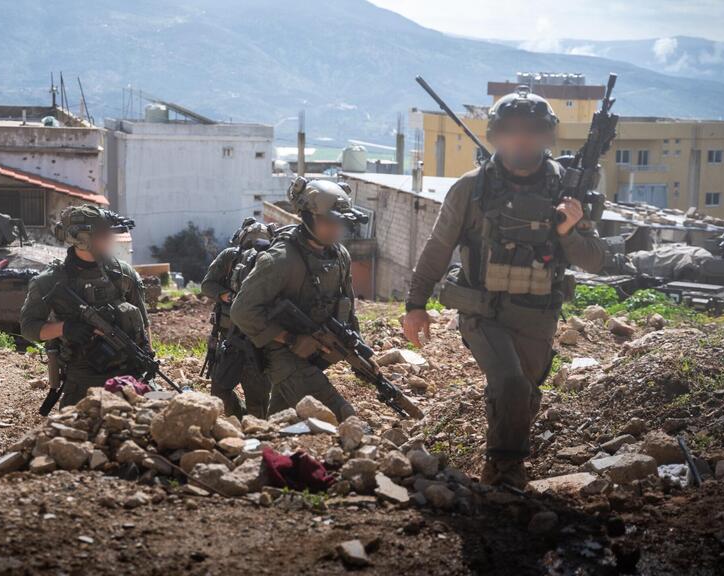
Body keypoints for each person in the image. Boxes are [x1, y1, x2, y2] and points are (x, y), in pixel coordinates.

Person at [401, 87, 608, 488]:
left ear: (547, 136)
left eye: (531, 130)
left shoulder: (567, 189)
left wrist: (567, 231)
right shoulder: (471, 189)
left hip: (539, 314)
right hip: (483, 311)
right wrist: (415, 303)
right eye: (511, 130)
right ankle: (507, 469)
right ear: (496, 135)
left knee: (523, 392)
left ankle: (498, 462)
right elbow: (437, 249)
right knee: (511, 383)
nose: (521, 139)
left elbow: (595, 260)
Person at [230, 178, 365, 422]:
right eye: (329, 222)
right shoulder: (281, 260)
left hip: (316, 354)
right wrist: (290, 338)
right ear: (308, 217)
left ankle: (265, 452)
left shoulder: (339, 255)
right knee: (342, 415)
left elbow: (348, 308)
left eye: (341, 223)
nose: (336, 229)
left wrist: (360, 355)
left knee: (283, 421)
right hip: (283, 356)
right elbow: (242, 311)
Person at [20, 205, 149, 407]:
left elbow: (143, 325)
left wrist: (145, 358)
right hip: (82, 383)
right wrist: (65, 328)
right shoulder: (48, 281)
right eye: (102, 234)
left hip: (127, 378)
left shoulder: (124, 275)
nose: (109, 238)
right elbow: (29, 329)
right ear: (81, 239)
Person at [200, 218, 274, 417]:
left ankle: (256, 433)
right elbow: (207, 285)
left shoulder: (273, 262)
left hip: (258, 341)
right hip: (229, 338)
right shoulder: (230, 257)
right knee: (219, 391)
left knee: (257, 400)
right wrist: (228, 296)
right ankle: (240, 420)